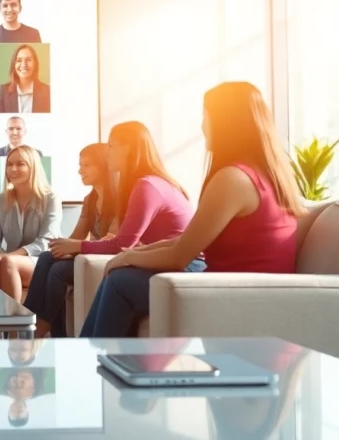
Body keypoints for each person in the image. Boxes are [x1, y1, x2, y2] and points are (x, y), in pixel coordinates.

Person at [80, 81, 303, 337]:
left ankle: (89, 362)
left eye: (205, 117)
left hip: (237, 295)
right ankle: (113, 364)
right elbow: (186, 241)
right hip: (247, 290)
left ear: (225, 122)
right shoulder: (267, 175)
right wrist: (131, 254)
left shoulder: (233, 179)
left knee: (119, 281)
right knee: (122, 275)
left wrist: (126, 257)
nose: (202, 127)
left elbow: (179, 257)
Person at [24, 121, 195, 337]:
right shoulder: (141, 185)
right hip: (158, 258)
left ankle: (70, 345)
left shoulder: (147, 186)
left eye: (112, 146)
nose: (108, 152)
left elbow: (122, 243)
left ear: (129, 148)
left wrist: (81, 246)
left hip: (179, 264)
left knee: (115, 278)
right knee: (50, 258)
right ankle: (36, 329)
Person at [0, 146, 61, 303]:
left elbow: (46, 241)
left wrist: (8, 256)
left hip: (42, 261)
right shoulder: (0, 200)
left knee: (8, 261)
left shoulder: (51, 198)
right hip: (9, 263)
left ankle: (13, 327)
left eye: (20, 164)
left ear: (33, 167)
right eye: (9, 164)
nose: (13, 169)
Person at [0, 45, 50, 114]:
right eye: (19, 60)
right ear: (14, 64)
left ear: (35, 63)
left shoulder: (47, 91)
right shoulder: (3, 91)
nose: (24, 65)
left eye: (29, 60)